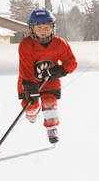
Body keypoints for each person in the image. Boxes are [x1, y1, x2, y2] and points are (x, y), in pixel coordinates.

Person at [16, 8, 77, 146]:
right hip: (28, 81)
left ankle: (52, 128)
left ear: (53, 27)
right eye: (39, 27)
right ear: (32, 28)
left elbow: (72, 62)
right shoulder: (26, 44)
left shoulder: (59, 43)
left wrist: (60, 70)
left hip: (50, 82)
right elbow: (25, 68)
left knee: (50, 103)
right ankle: (33, 112)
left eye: (47, 27)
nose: (43, 30)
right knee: (31, 107)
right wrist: (31, 87)